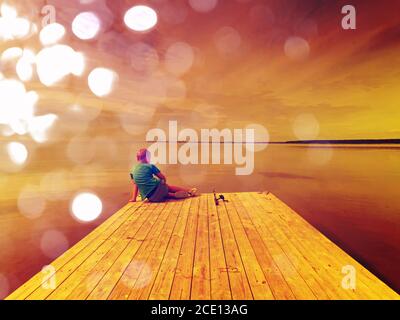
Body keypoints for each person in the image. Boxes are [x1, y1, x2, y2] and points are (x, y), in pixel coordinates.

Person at [129, 148, 197, 203]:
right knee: (168, 187)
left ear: (137, 158)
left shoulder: (133, 169)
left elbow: (135, 184)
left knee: (162, 193)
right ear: (148, 157)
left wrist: (133, 198)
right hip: (159, 189)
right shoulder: (150, 166)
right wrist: (164, 183)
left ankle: (172, 195)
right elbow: (162, 177)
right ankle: (189, 191)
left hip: (151, 198)